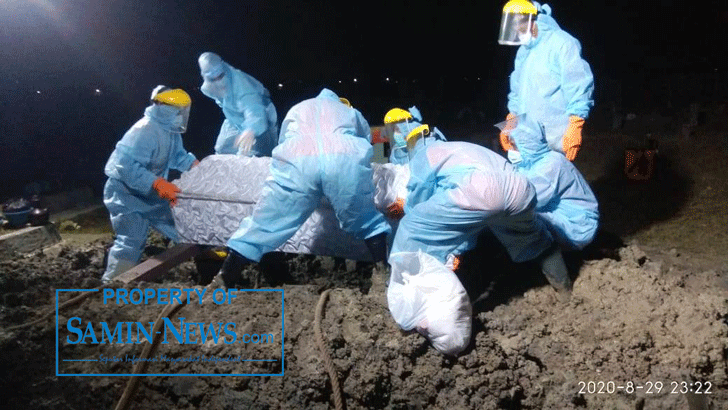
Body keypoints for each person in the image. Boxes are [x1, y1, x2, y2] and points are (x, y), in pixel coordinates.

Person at [217, 89, 391, 288]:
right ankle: (381, 273)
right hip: (341, 159)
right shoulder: (350, 112)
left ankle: (226, 275)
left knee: (267, 221)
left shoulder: (297, 108)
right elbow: (364, 138)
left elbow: (284, 140)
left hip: (298, 160)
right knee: (365, 218)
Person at [389, 115, 572, 294]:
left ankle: (412, 296)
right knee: (535, 239)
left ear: (413, 143)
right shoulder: (459, 147)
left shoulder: (424, 155)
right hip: (521, 189)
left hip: (480, 192)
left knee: (411, 227)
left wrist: (404, 211)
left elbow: (419, 196)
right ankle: (565, 290)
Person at [101, 86, 199, 283]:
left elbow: (178, 156)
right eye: (177, 109)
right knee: (132, 240)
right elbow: (126, 166)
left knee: (180, 224)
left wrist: (197, 166)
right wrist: (157, 184)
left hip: (150, 194)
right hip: (125, 194)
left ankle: (205, 254)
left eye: (182, 110)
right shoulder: (143, 129)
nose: (180, 115)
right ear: (162, 106)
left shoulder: (170, 131)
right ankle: (113, 285)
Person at [497, 0, 594, 161]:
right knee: (526, 184)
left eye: (517, 22)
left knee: (556, 182)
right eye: (511, 23)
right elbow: (517, 92)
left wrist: (576, 123)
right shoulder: (523, 51)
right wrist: (510, 123)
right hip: (526, 137)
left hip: (555, 138)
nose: (514, 28)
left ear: (530, 19)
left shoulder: (562, 43)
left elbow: (578, 84)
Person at [498, 115, 599, 249]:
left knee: (516, 218)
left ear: (526, 143)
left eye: (513, 144)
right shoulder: (531, 162)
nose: (510, 149)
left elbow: (526, 200)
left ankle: (554, 264)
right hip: (561, 217)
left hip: (577, 227)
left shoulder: (550, 165)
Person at [198, 52, 278, 157]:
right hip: (235, 118)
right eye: (213, 79)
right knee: (222, 150)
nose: (218, 81)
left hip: (261, 116)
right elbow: (223, 103)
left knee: (256, 154)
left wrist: (251, 129)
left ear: (223, 70)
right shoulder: (207, 88)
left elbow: (253, 107)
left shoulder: (239, 82)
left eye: (221, 76)